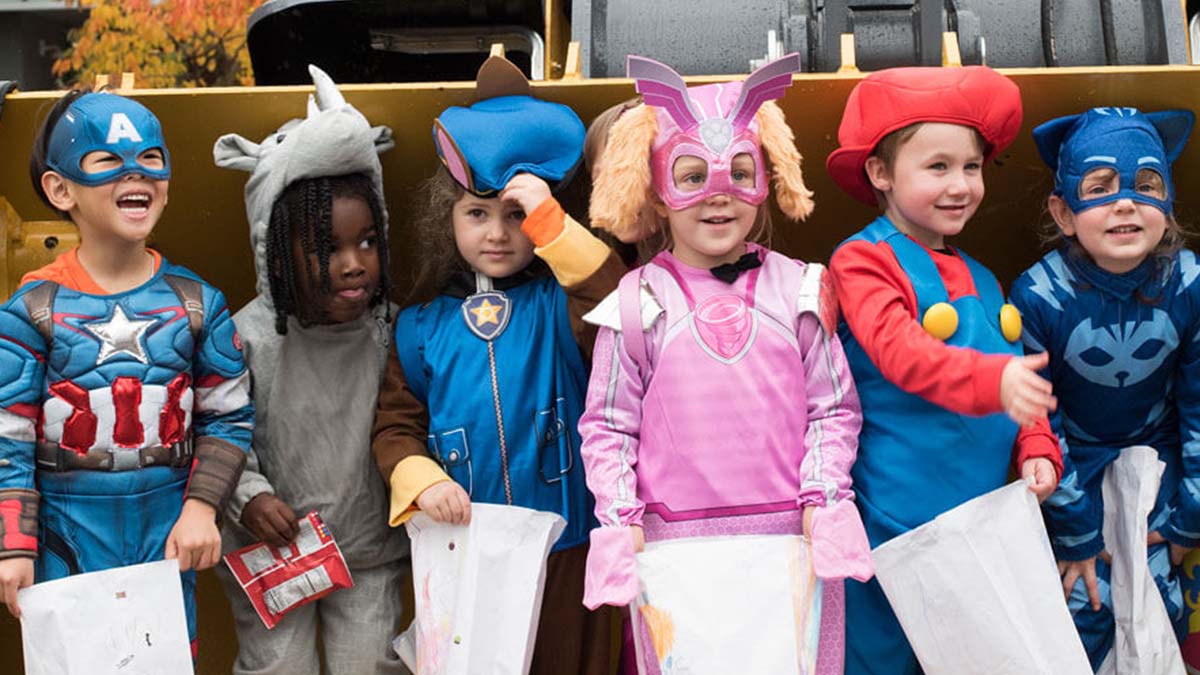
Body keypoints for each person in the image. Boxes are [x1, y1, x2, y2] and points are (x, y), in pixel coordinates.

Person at [580, 52, 872, 674]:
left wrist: (824, 497)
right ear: (657, 192)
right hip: (674, 556)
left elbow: (834, 409)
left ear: (767, 180)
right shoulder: (637, 302)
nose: (718, 198)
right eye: (692, 177)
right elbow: (607, 426)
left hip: (787, 546)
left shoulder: (800, 289)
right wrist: (620, 516)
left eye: (740, 172)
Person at [370, 55, 623, 675]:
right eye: (477, 214)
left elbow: (614, 301)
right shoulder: (421, 325)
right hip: (467, 547)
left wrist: (551, 223)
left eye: (516, 217)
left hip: (572, 543)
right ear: (447, 219)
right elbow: (395, 428)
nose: (499, 233)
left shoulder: (560, 302)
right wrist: (420, 478)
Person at [825, 65, 1064, 674]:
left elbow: (1021, 379)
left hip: (981, 529)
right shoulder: (861, 260)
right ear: (880, 173)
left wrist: (1036, 444)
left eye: (972, 167)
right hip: (892, 526)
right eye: (937, 167)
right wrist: (996, 384)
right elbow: (899, 351)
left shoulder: (984, 277)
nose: (961, 184)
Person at [0, 89, 252, 655]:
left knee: (163, 655)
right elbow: (6, 433)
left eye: (151, 158)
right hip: (65, 527)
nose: (135, 174)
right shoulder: (31, 311)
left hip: (166, 526)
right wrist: (12, 543)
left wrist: (200, 508)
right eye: (107, 162)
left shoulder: (198, 304)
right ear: (60, 188)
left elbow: (230, 417)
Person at [211, 66, 409, 674]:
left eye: (368, 242)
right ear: (275, 250)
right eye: (327, 248)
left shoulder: (391, 330)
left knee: (369, 664)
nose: (354, 265)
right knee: (277, 667)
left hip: (370, 552)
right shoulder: (245, 336)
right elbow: (217, 429)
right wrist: (249, 497)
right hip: (272, 552)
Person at [1009, 106, 1197, 670]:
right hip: (1074, 470)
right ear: (1064, 213)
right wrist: (1076, 530)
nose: (1125, 202)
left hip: (1156, 459)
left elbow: (1197, 405)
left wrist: (1190, 513)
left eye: (1146, 185)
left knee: (1161, 600)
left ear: (1165, 205)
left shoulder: (1187, 282)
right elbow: (1038, 417)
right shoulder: (1038, 296)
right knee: (1083, 605)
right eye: (1101, 187)